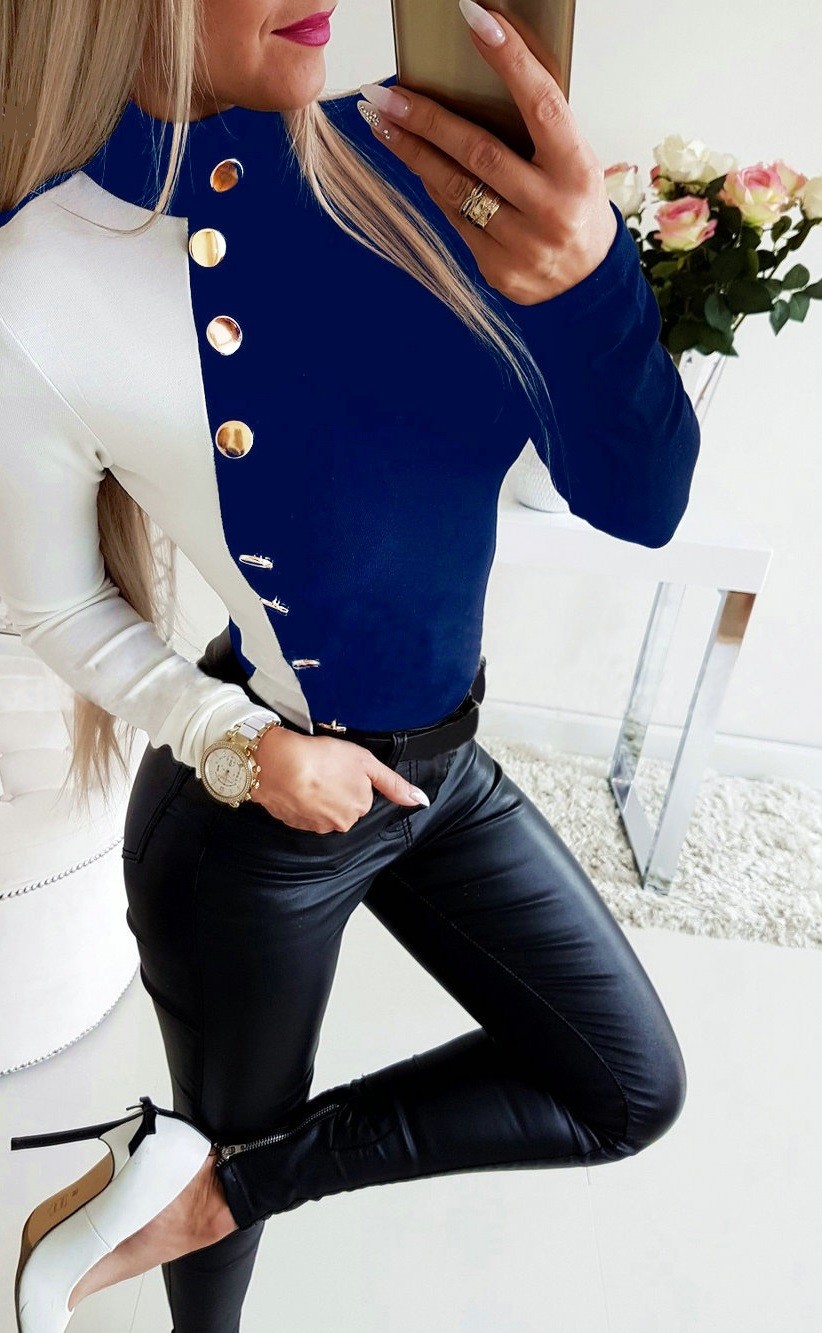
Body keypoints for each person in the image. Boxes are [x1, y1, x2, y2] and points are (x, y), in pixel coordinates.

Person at [1, 0, 700, 1329]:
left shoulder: (420, 161)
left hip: (443, 773)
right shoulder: (44, 271)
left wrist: (592, 276)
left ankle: (193, 1187)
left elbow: (642, 500)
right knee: (225, 1222)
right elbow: (54, 602)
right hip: (257, 819)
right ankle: (204, 1207)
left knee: (626, 1086)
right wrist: (240, 746)